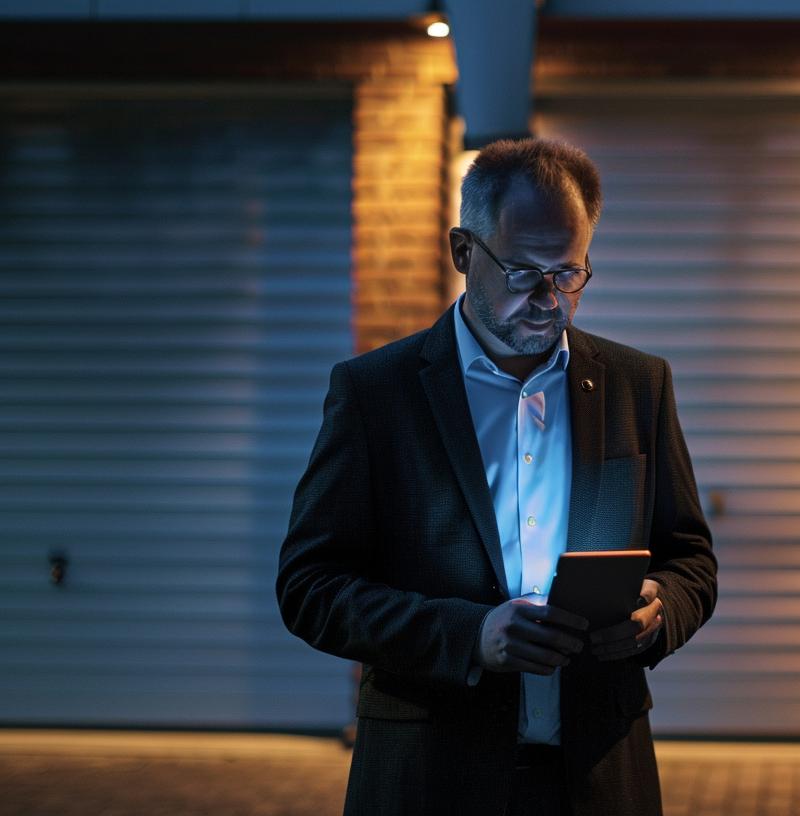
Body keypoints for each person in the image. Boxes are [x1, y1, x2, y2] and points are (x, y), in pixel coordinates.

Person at [276, 138, 717, 816]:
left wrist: (662, 610)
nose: (548, 300)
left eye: (569, 275)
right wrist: (470, 636)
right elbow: (310, 587)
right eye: (522, 274)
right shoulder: (376, 394)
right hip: (428, 780)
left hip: (600, 777)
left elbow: (691, 559)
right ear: (462, 253)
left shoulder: (638, 385)